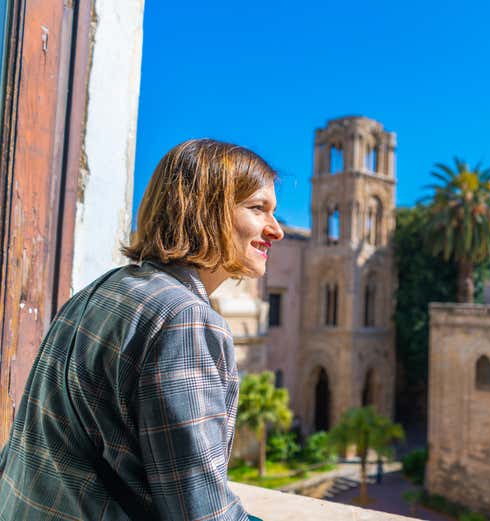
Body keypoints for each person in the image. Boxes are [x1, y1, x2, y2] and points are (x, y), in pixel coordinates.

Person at [0, 139, 283, 520]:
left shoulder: (101, 290)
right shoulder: (183, 318)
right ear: (206, 210)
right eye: (257, 209)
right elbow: (199, 512)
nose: (276, 230)